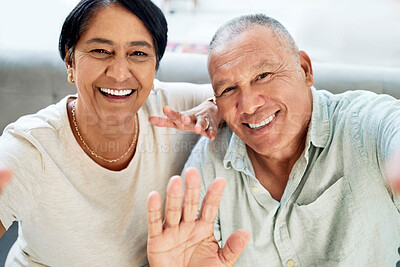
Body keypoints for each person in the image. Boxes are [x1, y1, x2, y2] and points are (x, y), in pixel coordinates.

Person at [146, 14, 400, 266]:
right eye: (228, 90)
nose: (248, 105)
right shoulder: (211, 161)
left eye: (263, 76)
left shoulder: (362, 125)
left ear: (304, 69)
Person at [0, 0, 220, 265]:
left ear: (155, 65)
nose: (119, 73)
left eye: (138, 54)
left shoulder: (172, 109)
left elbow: (244, 95)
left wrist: (215, 107)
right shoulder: (29, 149)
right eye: (101, 50)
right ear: (70, 61)